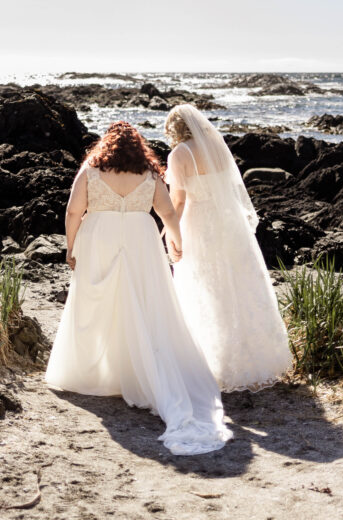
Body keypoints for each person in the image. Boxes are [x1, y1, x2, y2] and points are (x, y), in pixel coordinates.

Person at [45, 120, 232, 456]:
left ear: (106, 146)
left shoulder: (90, 171)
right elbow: (167, 214)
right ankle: (132, 372)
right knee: (145, 305)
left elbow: (74, 210)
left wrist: (70, 246)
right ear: (138, 148)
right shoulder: (149, 174)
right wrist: (176, 243)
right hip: (140, 239)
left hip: (99, 235)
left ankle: (100, 372)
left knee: (96, 303)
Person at [164, 104, 293, 392]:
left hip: (199, 223)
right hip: (229, 223)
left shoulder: (179, 155)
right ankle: (258, 360)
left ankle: (213, 363)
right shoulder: (217, 147)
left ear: (176, 128)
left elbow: (179, 202)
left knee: (207, 288)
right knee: (240, 285)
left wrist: (169, 233)